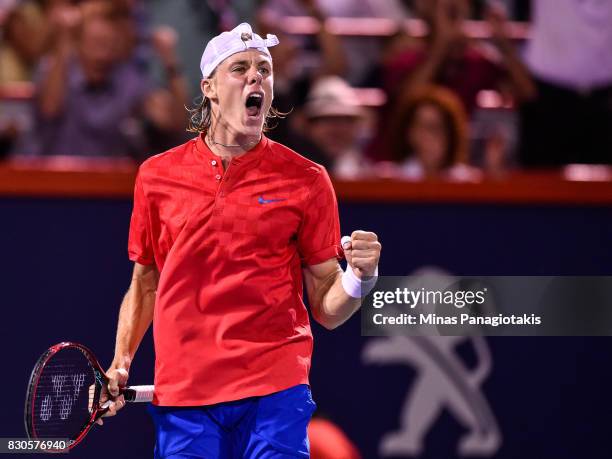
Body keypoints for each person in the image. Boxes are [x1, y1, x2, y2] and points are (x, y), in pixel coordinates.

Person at [98, 23, 382, 459]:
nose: (256, 78)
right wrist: (121, 363)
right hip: (184, 395)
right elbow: (145, 283)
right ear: (209, 88)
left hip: (275, 388)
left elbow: (326, 307)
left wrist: (360, 279)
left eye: (264, 70)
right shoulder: (156, 176)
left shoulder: (308, 180)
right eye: (241, 69)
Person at [387, 84, 480, 181]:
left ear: (451, 134)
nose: (427, 136)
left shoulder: (469, 181)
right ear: (408, 133)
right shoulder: (393, 179)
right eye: (420, 126)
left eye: (434, 128)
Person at [302, 76, 371, 179]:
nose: (337, 130)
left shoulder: (367, 175)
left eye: (345, 120)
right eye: (328, 120)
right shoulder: (291, 173)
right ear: (310, 126)